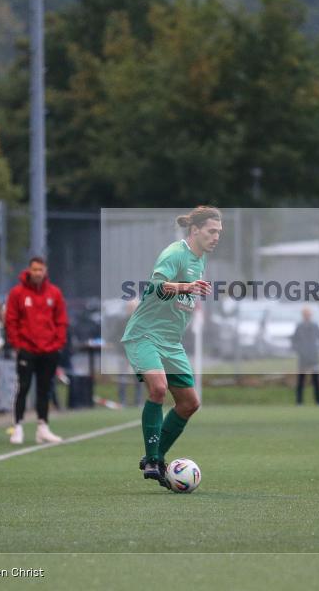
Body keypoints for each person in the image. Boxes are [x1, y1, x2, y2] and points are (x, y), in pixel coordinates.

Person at [121, 206, 221, 487]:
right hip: (145, 334)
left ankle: (155, 457)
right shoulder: (175, 253)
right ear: (195, 230)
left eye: (219, 232)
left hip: (170, 342)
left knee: (190, 403)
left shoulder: (200, 259)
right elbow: (155, 286)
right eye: (211, 231)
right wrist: (186, 287)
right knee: (158, 388)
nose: (216, 237)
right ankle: (153, 460)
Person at [5, 256, 68, 444]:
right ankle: (17, 427)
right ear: (29, 270)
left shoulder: (54, 293)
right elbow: (11, 320)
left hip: (49, 349)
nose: (37, 273)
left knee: (44, 389)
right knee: (23, 387)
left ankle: (43, 427)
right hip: (26, 348)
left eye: (40, 270)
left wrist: (58, 343)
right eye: (34, 269)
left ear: (45, 271)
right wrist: (17, 344)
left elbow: (61, 320)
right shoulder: (17, 293)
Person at [291, 306, 319, 405]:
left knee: (316, 380)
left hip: (313, 357)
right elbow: (294, 340)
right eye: (305, 314)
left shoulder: (315, 326)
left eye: (308, 314)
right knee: (301, 380)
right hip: (303, 357)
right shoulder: (299, 326)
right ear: (303, 315)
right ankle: (299, 401)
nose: (307, 316)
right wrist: (299, 350)